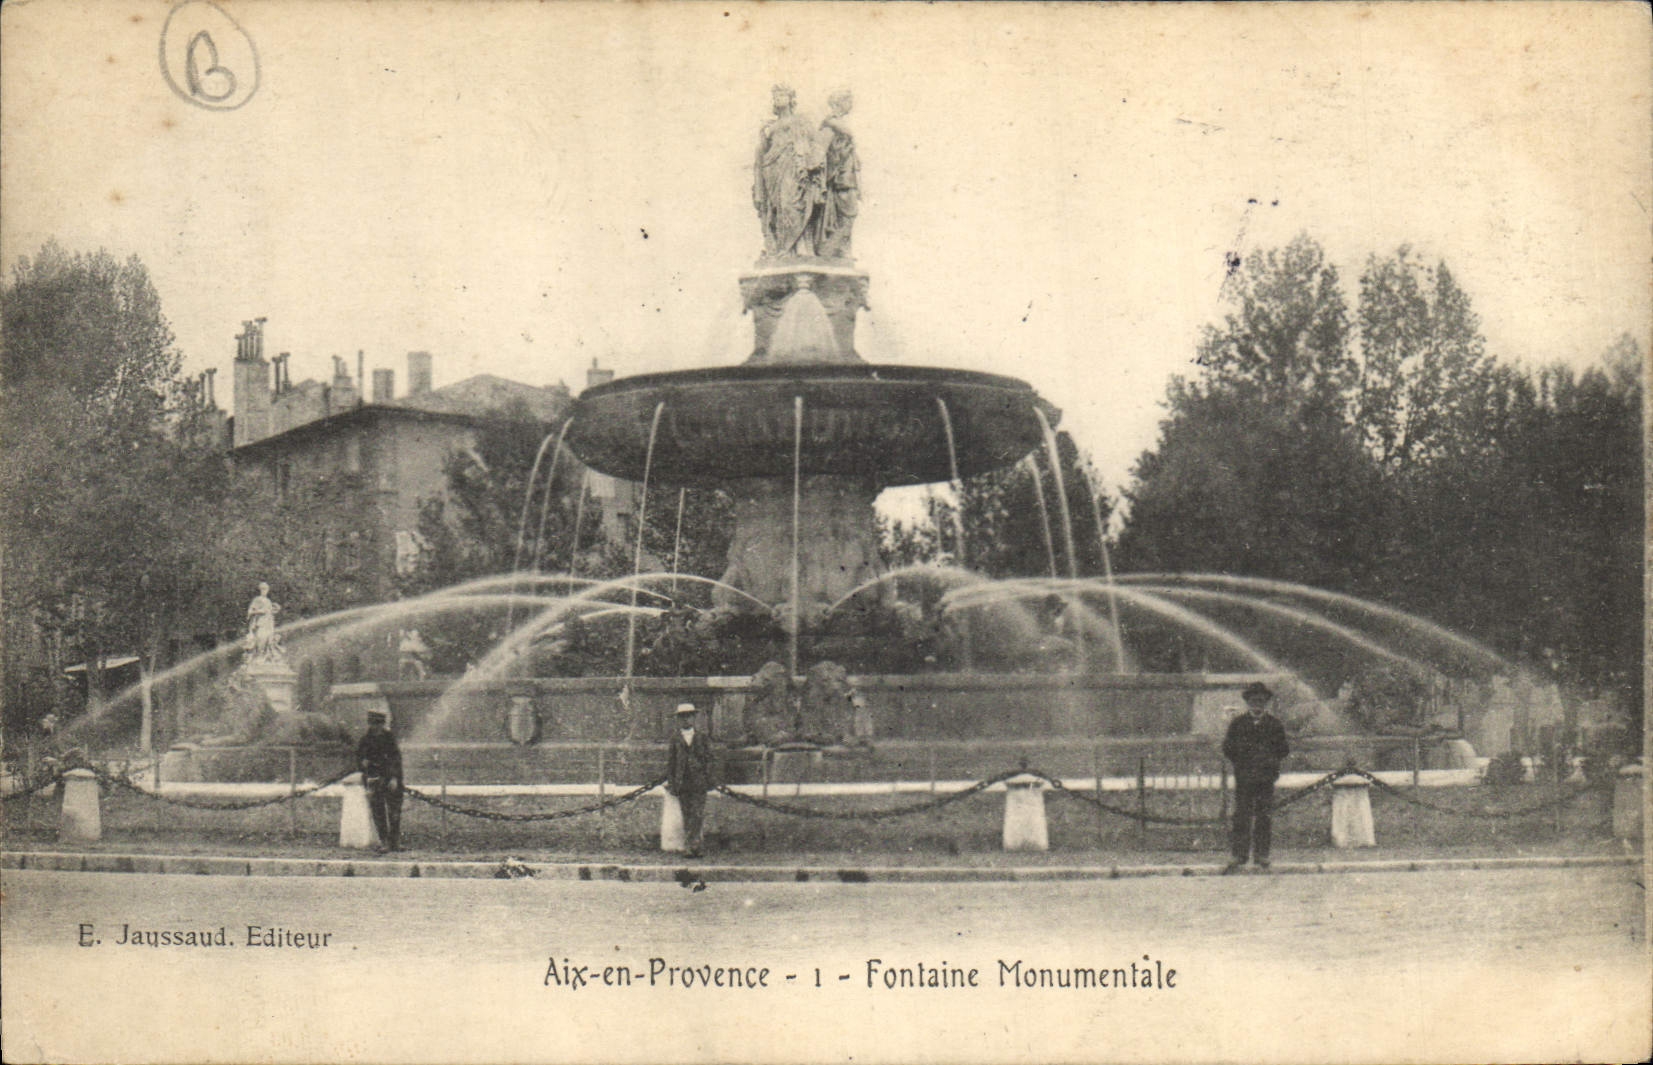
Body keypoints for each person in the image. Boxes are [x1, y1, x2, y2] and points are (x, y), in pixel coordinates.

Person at [1221, 681, 1290, 872]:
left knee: (1264, 817)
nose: (1257, 705)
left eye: (1261, 701)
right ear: (1248, 702)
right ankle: (1239, 855)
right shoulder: (1238, 724)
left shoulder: (1274, 724)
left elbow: (1283, 749)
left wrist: (1270, 762)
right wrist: (1242, 762)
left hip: (1266, 778)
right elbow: (1228, 748)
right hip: (1244, 777)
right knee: (1241, 816)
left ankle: (1261, 855)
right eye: (1253, 701)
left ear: (1266, 702)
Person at [665, 702, 716, 857]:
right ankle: (690, 846)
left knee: (697, 814)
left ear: (694, 718)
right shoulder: (675, 739)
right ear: (678, 720)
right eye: (682, 717)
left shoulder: (702, 737)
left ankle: (696, 845)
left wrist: (709, 778)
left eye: (689, 716)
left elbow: (709, 760)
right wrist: (672, 783)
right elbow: (671, 762)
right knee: (686, 814)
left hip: (699, 781)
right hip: (683, 782)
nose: (686, 720)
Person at [356, 707, 404, 852]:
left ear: (382, 724)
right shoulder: (365, 740)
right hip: (373, 778)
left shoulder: (389, 738)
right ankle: (384, 841)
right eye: (373, 723)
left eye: (378, 724)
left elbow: (396, 759)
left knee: (394, 812)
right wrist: (363, 764)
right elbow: (359, 759)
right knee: (378, 812)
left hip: (390, 778)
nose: (376, 727)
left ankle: (395, 842)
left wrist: (394, 778)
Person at [245, 582, 282, 660]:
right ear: (260, 590)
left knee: (269, 641)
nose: (264, 591)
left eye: (266, 589)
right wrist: (260, 611)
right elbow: (250, 611)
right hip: (260, 623)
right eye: (263, 589)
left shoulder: (268, 601)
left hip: (268, 623)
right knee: (260, 639)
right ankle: (258, 657)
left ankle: (265, 658)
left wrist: (274, 610)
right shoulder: (257, 599)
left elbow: (270, 612)